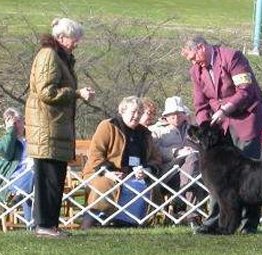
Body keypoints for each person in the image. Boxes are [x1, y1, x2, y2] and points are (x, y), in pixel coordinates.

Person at [181, 36, 262, 234]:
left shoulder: (233, 57)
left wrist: (225, 110)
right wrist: (204, 124)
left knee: (250, 176)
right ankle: (216, 223)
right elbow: (200, 103)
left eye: (193, 57)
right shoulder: (196, 71)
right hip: (220, 128)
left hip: (245, 120)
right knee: (218, 177)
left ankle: (249, 225)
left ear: (201, 48)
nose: (193, 62)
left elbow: (246, 90)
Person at [25, 18, 95, 238]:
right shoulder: (49, 56)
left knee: (55, 178)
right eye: (75, 39)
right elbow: (47, 92)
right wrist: (75, 93)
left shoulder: (58, 57)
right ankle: (44, 225)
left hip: (54, 129)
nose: (77, 43)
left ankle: (50, 225)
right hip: (47, 129)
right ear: (61, 37)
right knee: (48, 179)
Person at [81, 96, 162, 230]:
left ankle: (129, 223)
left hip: (135, 176)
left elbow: (156, 158)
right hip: (104, 173)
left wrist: (147, 171)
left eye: (140, 113)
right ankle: (90, 222)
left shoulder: (145, 133)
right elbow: (96, 154)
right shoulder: (108, 126)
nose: (136, 116)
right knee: (103, 185)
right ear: (122, 110)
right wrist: (109, 173)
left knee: (145, 187)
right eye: (133, 112)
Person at [149, 96, 206, 226]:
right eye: (172, 115)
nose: (175, 117)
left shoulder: (192, 129)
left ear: (184, 114)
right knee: (191, 163)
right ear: (165, 115)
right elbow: (154, 151)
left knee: (194, 173)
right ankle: (182, 193)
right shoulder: (156, 130)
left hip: (189, 172)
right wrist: (176, 152)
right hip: (168, 171)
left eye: (179, 114)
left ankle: (193, 218)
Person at [0, 108, 34, 224]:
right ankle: (33, 225)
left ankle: (32, 225)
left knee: (33, 180)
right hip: (11, 181)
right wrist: (10, 131)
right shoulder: (6, 142)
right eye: (14, 123)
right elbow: (7, 152)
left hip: (30, 179)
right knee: (33, 176)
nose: (17, 125)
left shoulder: (30, 141)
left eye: (19, 121)